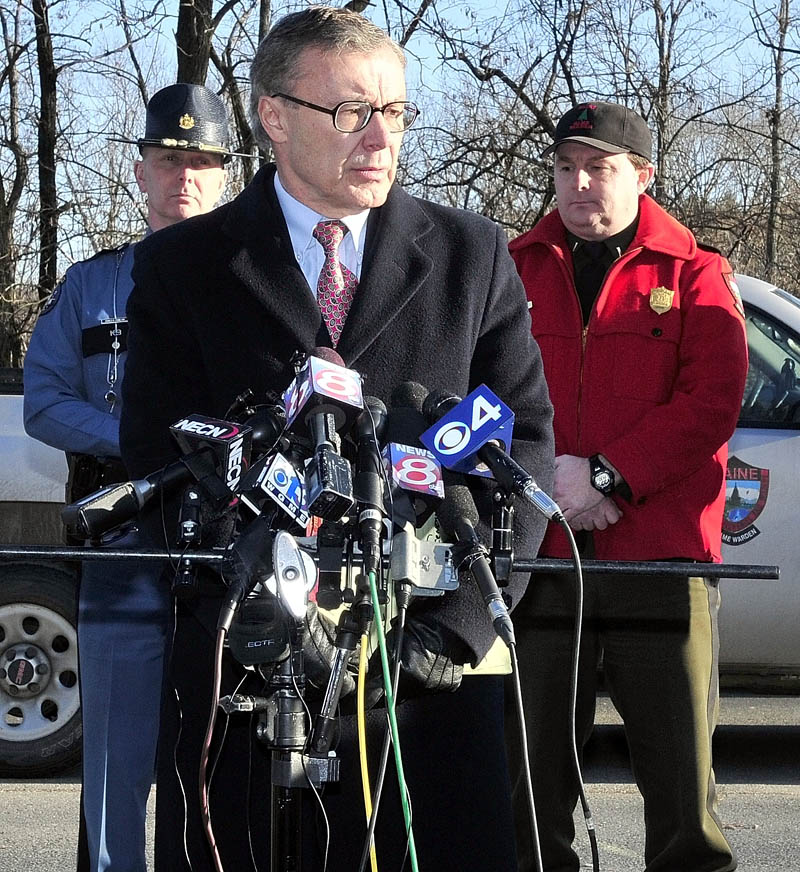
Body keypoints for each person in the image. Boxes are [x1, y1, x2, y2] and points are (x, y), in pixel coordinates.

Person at [118, 7, 554, 872]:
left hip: (426, 688)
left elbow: (525, 447)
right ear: (273, 117)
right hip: (247, 687)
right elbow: (157, 457)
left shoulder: (472, 254)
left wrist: (455, 630)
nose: (379, 136)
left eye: (394, 112)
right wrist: (265, 610)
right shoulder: (184, 266)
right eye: (351, 112)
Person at [506, 100, 748, 872]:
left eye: (600, 168)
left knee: (682, 783)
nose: (579, 185)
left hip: (662, 558)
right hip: (541, 551)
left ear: (642, 176)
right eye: (565, 168)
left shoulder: (696, 272)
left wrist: (610, 475)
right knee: (529, 775)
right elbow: (485, 394)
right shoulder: (513, 267)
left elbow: (712, 399)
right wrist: (549, 482)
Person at [23, 82, 234, 872]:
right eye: (168, 159)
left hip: (226, 546)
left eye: (202, 162)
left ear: (224, 175)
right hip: (123, 542)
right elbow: (43, 400)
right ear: (140, 171)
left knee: (218, 767)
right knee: (114, 769)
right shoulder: (92, 286)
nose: (185, 175)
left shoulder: (256, 287)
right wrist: (144, 444)